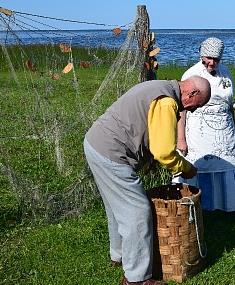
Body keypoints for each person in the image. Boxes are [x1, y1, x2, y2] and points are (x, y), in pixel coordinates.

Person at [84, 76, 211, 285]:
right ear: (192, 93)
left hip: (95, 143)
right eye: (196, 106)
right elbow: (163, 152)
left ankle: (119, 256)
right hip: (110, 151)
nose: (193, 111)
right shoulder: (167, 100)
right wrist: (185, 168)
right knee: (137, 210)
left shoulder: (161, 87)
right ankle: (137, 279)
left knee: (116, 206)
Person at [173, 37, 235, 213]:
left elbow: (230, 104)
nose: (212, 63)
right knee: (200, 165)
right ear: (201, 55)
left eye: (216, 59)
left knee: (227, 163)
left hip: (224, 128)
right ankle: (198, 206)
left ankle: (229, 204)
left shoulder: (226, 73)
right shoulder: (190, 75)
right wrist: (180, 139)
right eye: (208, 58)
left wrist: (234, 131)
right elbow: (181, 109)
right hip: (200, 129)